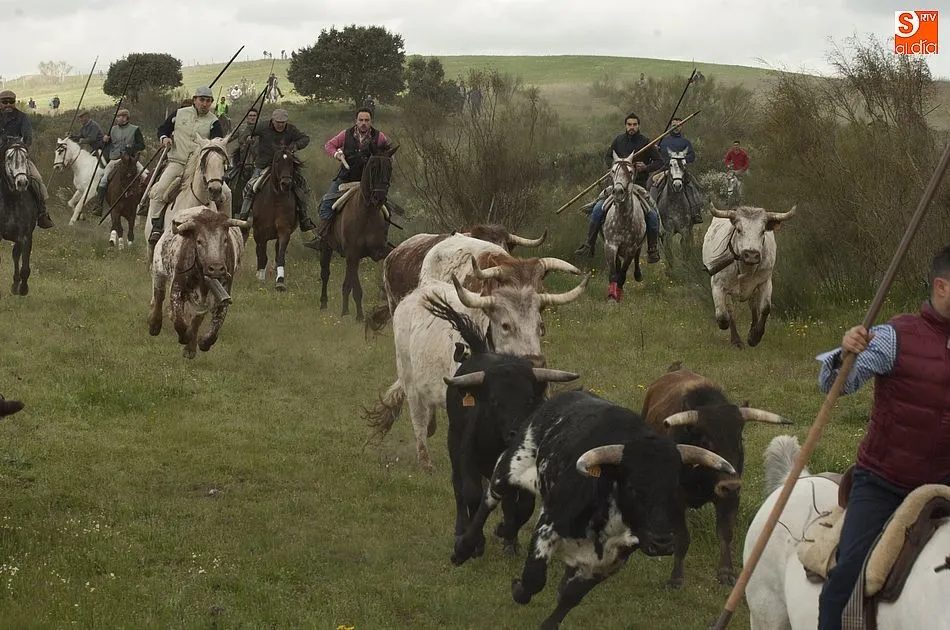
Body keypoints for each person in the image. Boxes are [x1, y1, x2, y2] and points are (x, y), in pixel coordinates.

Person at [814, 245, 950, 630]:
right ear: (942, 287)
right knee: (849, 573)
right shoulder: (896, 337)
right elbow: (836, 384)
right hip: (886, 481)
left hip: (945, 479)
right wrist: (846, 353)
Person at [574, 112, 663, 261]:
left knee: (652, 215)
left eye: (635, 124)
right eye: (629, 124)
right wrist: (614, 166)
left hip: (637, 186)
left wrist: (646, 167)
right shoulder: (618, 140)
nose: (632, 127)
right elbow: (608, 157)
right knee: (597, 209)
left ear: (638, 126)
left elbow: (660, 162)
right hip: (616, 186)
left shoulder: (646, 142)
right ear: (625, 126)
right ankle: (589, 245)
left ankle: (652, 249)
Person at [147, 86, 224, 246]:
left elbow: (217, 142)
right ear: (195, 100)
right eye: (201, 100)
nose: (204, 104)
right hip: (178, 162)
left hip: (200, 167)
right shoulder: (179, 114)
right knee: (159, 190)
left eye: (208, 101)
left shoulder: (214, 121)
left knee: (227, 194)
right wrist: (164, 138)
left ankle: (225, 230)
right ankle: (156, 226)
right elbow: (163, 128)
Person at [304, 108, 391, 251]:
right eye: (361, 120)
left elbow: (388, 154)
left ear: (371, 121)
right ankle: (322, 238)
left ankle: (383, 241)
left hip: (369, 183)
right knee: (326, 205)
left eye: (367, 120)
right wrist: (336, 154)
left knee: (387, 210)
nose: (363, 123)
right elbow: (329, 145)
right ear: (356, 121)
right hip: (345, 180)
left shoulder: (380, 137)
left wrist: (386, 162)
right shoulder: (346, 134)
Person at [234, 108, 317, 234]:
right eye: (277, 122)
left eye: (283, 122)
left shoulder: (291, 130)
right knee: (250, 187)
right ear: (272, 120)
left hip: (285, 166)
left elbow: (305, 138)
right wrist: (247, 138)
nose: (280, 125)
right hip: (264, 164)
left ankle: (304, 217)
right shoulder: (262, 126)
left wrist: (295, 146)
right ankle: (243, 217)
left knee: (302, 185)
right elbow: (249, 129)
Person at [0, 89, 54, 228]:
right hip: (1, 155)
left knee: (37, 179)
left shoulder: (22, 117)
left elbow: (28, 137)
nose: (7, 105)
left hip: (19, 156)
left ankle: (42, 213)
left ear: (14, 102)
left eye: (10, 102)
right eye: (4, 102)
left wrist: (20, 146)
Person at [652, 117, 703, 225]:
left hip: (681, 170)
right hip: (664, 170)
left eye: (678, 125)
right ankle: (652, 212)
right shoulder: (663, 141)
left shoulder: (685, 142)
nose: (676, 127)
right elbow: (656, 157)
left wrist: (682, 160)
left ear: (682, 126)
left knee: (694, 185)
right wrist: (655, 150)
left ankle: (695, 212)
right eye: (674, 125)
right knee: (650, 184)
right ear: (670, 126)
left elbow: (692, 156)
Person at [95, 108, 147, 209]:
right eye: (117, 117)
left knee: (145, 176)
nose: (117, 119)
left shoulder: (135, 129)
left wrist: (132, 148)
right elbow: (106, 145)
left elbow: (141, 145)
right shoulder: (113, 129)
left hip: (130, 160)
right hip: (114, 160)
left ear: (125, 118)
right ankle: (99, 206)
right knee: (103, 180)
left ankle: (145, 203)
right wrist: (105, 141)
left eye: (119, 117)